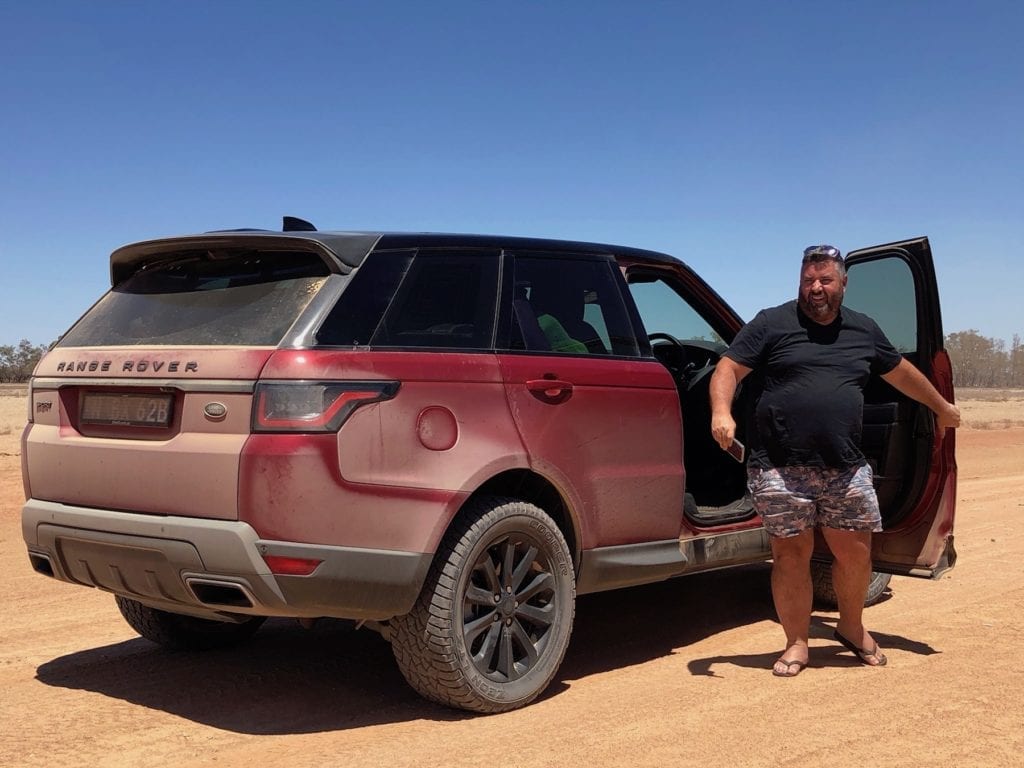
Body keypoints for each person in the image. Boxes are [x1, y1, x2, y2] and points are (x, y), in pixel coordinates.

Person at [709, 244, 960, 678]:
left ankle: (851, 626)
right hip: (779, 467)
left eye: (825, 280)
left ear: (843, 282)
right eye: (808, 281)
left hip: (845, 467)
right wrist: (721, 411)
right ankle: (797, 642)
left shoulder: (863, 330)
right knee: (790, 555)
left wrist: (940, 406)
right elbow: (728, 368)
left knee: (857, 554)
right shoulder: (772, 323)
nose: (816, 289)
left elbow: (900, 372)